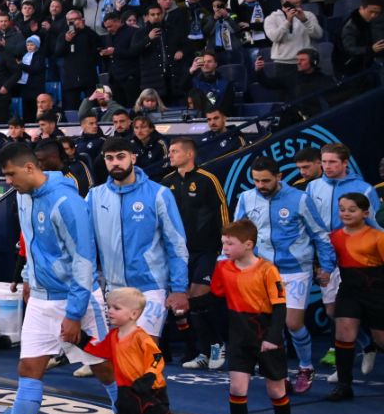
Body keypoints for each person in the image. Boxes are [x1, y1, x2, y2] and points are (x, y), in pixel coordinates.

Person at [0, 143, 109, 414]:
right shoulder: (23, 196)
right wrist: (29, 277)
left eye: (10, 174)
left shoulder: (67, 202)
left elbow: (84, 261)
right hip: (43, 299)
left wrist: (74, 313)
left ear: (30, 168)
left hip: (79, 300)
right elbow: (32, 244)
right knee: (29, 371)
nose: (7, 181)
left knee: (107, 371)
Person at [87, 288, 217, 414]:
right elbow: (99, 350)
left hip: (149, 395)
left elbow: (157, 358)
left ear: (134, 314)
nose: (109, 311)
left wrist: (147, 377)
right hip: (127, 394)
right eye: (108, 307)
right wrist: (79, 340)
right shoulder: (113, 336)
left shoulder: (140, 337)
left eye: (116, 308)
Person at [89, 138, 189, 375]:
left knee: (141, 356)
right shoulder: (94, 197)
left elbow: (177, 244)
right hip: (113, 289)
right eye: (109, 158)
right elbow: (85, 247)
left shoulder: (159, 194)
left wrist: (179, 288)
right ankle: (133, 410)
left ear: (133, 157)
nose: (115, 163)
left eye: (121, 156)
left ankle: (153, 409)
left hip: (150, 288)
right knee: (117, 364)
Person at [210, 219, 295, 414]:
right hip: (239, 337)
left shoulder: (268, 270)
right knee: (237, 389)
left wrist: (272, 338)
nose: (225, 248)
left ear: (248, 245)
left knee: (276, 391)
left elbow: (280, 307)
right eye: (223, 243)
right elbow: (216, 300)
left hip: (266, 336)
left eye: (230, 243)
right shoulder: (223, 269)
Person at [232, 157, 317, 393]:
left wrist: (327, 266)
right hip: (264, 270)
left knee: (292, 322)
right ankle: (280, 372)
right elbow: (238, 232)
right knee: (271, 327)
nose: (260, 185)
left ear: (279, 177)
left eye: (266, 180)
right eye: (256, 180)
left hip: (296, 269)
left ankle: (306, 367)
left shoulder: (300, 199)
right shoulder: (247, 198)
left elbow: (319, 233)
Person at [164, 138, 230, 369]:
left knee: (199, 296)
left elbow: (222, 209)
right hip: (178, 252)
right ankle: (201, 351)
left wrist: (225, 245)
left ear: (190, 154)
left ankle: (217, 344)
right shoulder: (167, 182)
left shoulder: (207, 179)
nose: (170, 155)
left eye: (175, 151)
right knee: (183, 304)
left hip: (206, 249)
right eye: (170, 151)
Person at [327, 191, 384, 401]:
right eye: (342, 210)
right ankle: (344, 386)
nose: (346, 214)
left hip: (377, 292)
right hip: (349, 291)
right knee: (344, 334)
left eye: (352, 210)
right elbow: (327, 263)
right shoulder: (334, 237)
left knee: (381, 339)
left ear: (365, 212)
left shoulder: (378, 237)